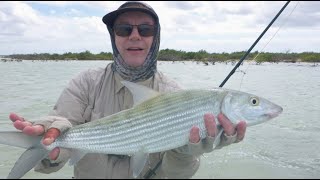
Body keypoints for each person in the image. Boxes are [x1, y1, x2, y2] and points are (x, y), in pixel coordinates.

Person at [9, 1, 247, 179]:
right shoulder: (85, 82)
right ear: (114, 36)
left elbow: (174, 174)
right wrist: (50, 140)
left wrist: (186, 152)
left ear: (156, 37)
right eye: (124, 29)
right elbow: (62, 123)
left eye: (145, 29)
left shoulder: (175, 94)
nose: (135, 36)